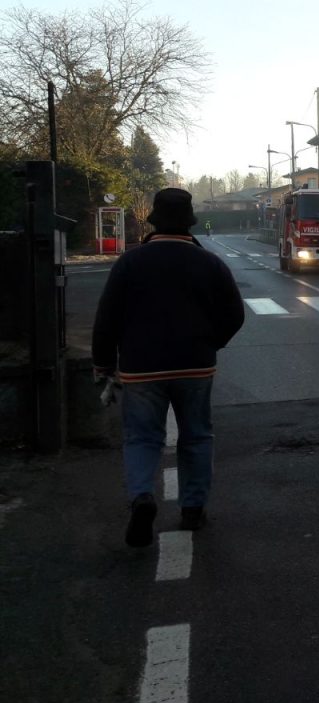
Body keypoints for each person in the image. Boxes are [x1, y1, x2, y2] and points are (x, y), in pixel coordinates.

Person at [93, 188, 245, 548]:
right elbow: (235, 315)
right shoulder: (210, 263)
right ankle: (193, 509)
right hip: (195, 366)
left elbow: (106, 319)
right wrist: (211, 343)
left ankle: (143, 497)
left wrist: (103, 365)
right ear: (189, 222)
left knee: (142, 437)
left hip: (141, 368)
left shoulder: (130, 263)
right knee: (196, 436)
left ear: (154, 222)